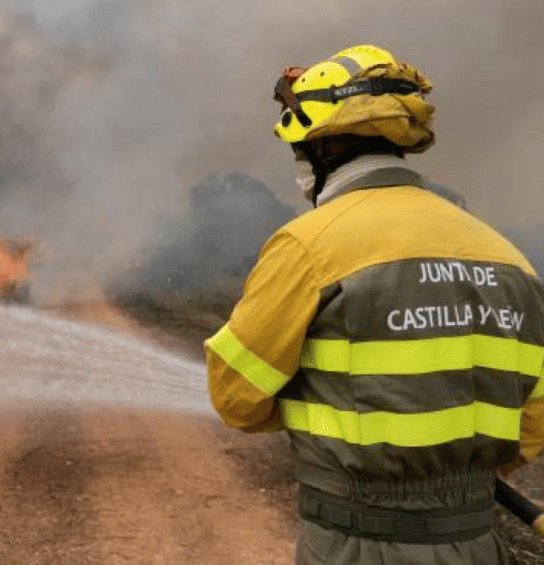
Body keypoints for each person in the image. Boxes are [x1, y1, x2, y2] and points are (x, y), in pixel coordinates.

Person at [204, 44, 544, 564]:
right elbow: (531, 424)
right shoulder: (506, 256)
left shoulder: (310, 246)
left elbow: (237, 397)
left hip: (357, 544)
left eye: (301, 151)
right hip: (477, 542)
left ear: (322, 151)